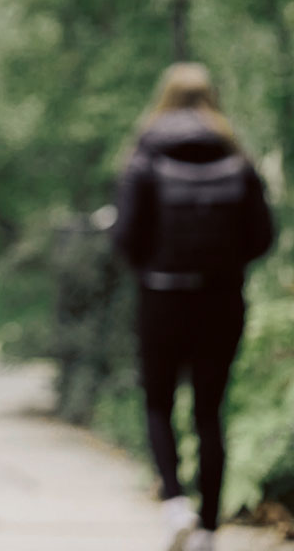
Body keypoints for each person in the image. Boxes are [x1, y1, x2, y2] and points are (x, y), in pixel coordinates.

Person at [112, 63, 275, 551]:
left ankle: (175, 503)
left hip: (161, 296)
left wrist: (152, 266)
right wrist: (225, 267)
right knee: (210, 410)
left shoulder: (143, 156)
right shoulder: (238, 159)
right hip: (221, 298)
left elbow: (125, 236)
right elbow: (262, 236)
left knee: (158, 402)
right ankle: (208, 528)